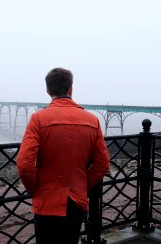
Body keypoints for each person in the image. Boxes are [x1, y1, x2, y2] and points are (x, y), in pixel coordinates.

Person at [17, 67, 110, 244]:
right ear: (71, 89)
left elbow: (24, 163)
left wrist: (34, 188)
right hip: (77, 200)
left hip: (47, 199)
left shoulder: (38, 118)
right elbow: (103, 163)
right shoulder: (92, 120)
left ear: (48, 91)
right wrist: (83, 185)